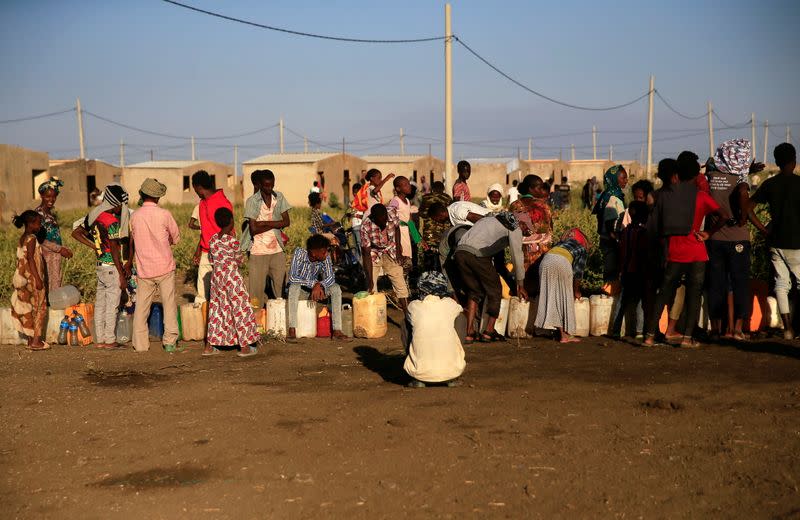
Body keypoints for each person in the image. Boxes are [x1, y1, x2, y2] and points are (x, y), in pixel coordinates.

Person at [643, 153, 730, 348]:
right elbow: (724, 215)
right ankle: (687, 338)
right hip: (697, 249)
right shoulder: (699, 195)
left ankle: (648, 336)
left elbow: (654, 226)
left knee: (664, 292)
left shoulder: (664, 194)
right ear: (695, 174)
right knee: (694, 293)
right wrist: (708, 232)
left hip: (674, 249)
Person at [705, 139, 767, 341]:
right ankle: (738, 330)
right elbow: (741, 192)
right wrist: (742, 217)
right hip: (738, 238)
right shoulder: (741, 179)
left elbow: (714, 165)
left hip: (715, 238)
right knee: (740, 283)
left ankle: (717, 329)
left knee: (716, 283)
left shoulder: (711, 176)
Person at [454, 211, 529, 343]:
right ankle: (489, 331)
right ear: (521, 223)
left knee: (474, 291)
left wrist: (512, 284)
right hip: (477, 254)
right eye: (526, 228)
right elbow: (517, 257)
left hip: (460, 253)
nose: (524, 231)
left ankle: (469, 332)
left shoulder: (489, 220)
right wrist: (521, 285)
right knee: (495, 290)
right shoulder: (514, 227)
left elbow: (499, 264)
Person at [71, 184, 130, 349]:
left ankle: (100, 340)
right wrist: (121, 274)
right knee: (112, 305)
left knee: (100, 304)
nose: (121, 208)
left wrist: (94, 247)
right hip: (112, 267)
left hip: (100, 266)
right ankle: (110, 340)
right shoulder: (111, 222)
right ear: (114, 203)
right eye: (119, 204)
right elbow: (114, 249)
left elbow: (76, 232)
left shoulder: (95, 217)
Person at [751, 143, 800, 340]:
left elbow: (747, 207)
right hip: (797, 243)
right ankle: (796, 326)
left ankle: (787, 328)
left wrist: (763, 229)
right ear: (794, 161)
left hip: (775, 242)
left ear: (777, 163)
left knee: (781, 284)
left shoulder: (769, 185)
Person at [129, 179, 181, 353]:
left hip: (144, 269)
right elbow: (175, 237)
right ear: (157, 197)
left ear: (142, 196)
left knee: (141, 309)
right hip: (165, 266)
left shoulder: (134, 216)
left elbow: (132, 240)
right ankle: (170, 342)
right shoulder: (165, 214)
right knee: (169, 304)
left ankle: (141, 344)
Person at [204, 207, 261, 357]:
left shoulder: (212, 240)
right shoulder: (233, 242)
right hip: (232, 278)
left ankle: (209, 347)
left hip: (217, 279)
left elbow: (211, 259)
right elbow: (239, 260)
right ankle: (244, 348)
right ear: (231, 221)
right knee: (240, 310)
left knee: (216, 310)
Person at [404, 271, 465, 388]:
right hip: (451, 373)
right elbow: (459, 308)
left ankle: (417, 376)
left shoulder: (413, 306)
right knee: (460, 318)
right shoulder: (450, 304)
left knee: (406, 323)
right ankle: (452, 374)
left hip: (419, 374)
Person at [240, 169, 291, 306]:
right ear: (260, 185)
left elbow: (287, 222)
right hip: (258, 252)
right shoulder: (252, 201)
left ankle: (279, 322)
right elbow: (254, 229)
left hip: (277, 250)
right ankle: (257, 323)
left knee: (280, 292)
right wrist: (275, 225)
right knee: (256, 294)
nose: (269, 188)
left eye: (271, 185)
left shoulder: (279, 197)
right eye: (266, 186)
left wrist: (265, 222)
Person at [286, 234, 350, 341]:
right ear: (314, 253)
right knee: (293, 287)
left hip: (317, 291)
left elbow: (331, 278)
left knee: (336, 288)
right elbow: (292, 277)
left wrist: (319, 285)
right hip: (300, 292)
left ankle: (337, 330)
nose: (327, 254)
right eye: (324, 251)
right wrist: (313, 284)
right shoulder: (299, 253)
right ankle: (292, 329)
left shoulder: (325, 258)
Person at [534, 228, 590, 344]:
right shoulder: (582, 249)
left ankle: (560, 333)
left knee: (553, 298)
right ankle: (566, 335)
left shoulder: (560, 244)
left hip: (545, 262)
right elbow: (578, 273)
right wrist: (576, 290)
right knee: (565, 298)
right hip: (562, 262)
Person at [191, 170, 232, 305]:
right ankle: (202, 321)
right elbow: (205, 230)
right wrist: (198, 249)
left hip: (221, 252)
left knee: (222, 289)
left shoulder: (222, 201)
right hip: (205, 251)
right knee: (202, 292)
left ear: (198, 187)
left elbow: (230, 225)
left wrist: (218, 243)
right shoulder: (202, 203)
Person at [610, 201, 650, 338]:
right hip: (640, 272)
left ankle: (615, 330)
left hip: (626, 271)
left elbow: (622, 252)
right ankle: (639, 330)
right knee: (640, 301)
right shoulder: (644, 233)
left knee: (622, 302)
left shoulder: (626, 231)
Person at [360, 204, 409, 312]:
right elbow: (366, 254)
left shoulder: (392, 212)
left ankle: (406, 313)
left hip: (390, 249)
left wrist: (399, 252)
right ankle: (374, 314)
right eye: (380, 221)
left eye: (385, 218)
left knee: (399, 280)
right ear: (374, 218)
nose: (384, 222)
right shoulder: (365, 226)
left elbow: (396, 229)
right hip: (374, 252)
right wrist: (370, 278)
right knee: (371, 287)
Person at [11, 210, 47, 350]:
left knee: (30, 307)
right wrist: (38, 279)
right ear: (31, 224)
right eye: (38, 223)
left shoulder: (23, 237)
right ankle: (37, 341)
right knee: (39, 307)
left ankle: (30, 340)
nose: (40, 226)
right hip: (32, 278)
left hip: (23, 278)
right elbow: (31, 259)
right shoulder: (32, 238)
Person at [593, 165, 628, 291]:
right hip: (611, 241)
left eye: (626, 178)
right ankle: (609, 299)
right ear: (614, 179)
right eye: (623, 178)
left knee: (611, 271)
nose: (626, 181)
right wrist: (618, 241)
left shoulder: (610, 195)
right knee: (611, 272)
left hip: (609, 240)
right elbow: (609, 224)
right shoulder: (613, 198)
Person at [35, 178, 73, 292]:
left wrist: (62, 249)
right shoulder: (38, 214)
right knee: (48, 286)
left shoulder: (50, 215)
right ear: (41, 196)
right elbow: (40, 239)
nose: (51, 199)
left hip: (54, 257)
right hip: (45, 257)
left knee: (55, 286)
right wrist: (60, 249)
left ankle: (52, 309)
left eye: (54, 196)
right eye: (48, 196)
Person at [510, 174, 554, 271]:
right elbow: (550, 228)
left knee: (523, 280)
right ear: (531, 189)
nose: (542, 190)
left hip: (522, 252)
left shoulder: (515, 205)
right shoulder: (543, 205)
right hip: (543, 252)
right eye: (540, 188)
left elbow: (511, 228)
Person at [388, 176, 419, 271]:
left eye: (408, 184)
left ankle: (405, 282)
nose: (409, 186)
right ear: (398, 188)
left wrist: (417, 238)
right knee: (400, 259)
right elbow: (391, 221)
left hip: (405, 233)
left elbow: (409, 221)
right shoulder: (395, 201)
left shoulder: (408, 201)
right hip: (398, 233)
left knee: (407, 260)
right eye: (405, 185)